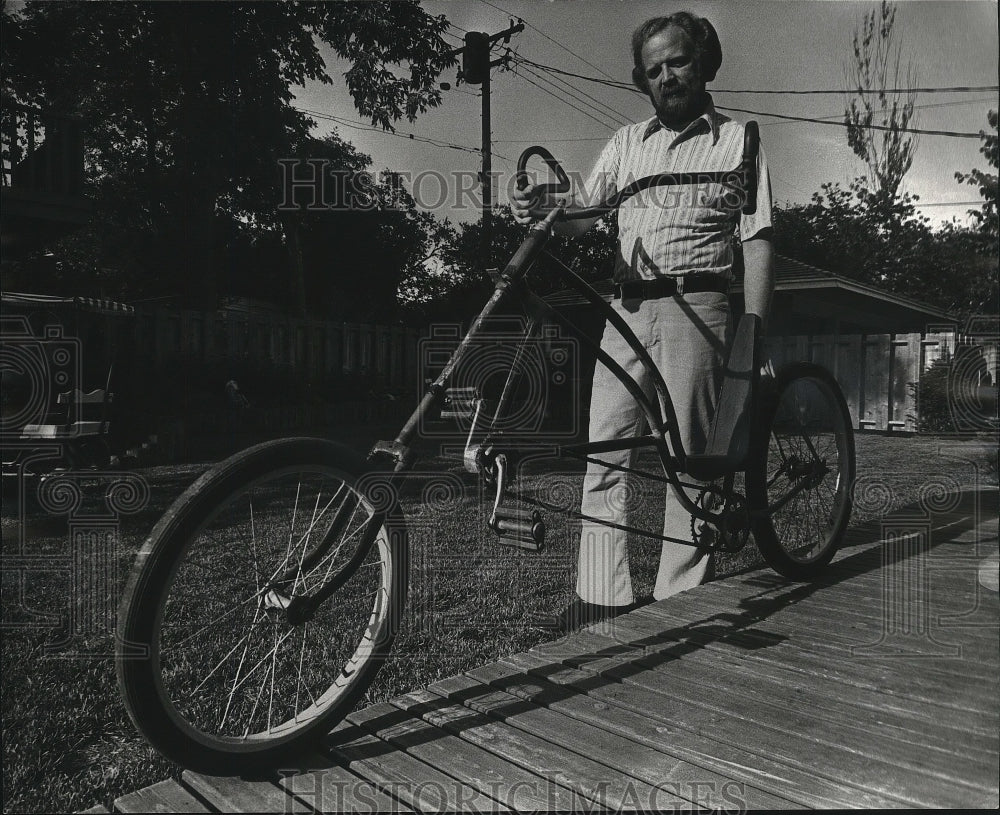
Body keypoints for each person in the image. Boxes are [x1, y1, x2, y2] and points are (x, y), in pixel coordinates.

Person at [511, 11, 774, 633]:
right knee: (605, 450)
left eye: (678, 62)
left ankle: (678, 604)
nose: (667, 76)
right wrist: (545, 207)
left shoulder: (739, 141)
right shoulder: (627, 143)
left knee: (692, 463)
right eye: (653, 70)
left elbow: (759, 240)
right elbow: (584, 216)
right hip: (625, 310)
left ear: (704, 63)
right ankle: (602, 600)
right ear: (643, 80)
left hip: (700, 309)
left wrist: (755, 327)